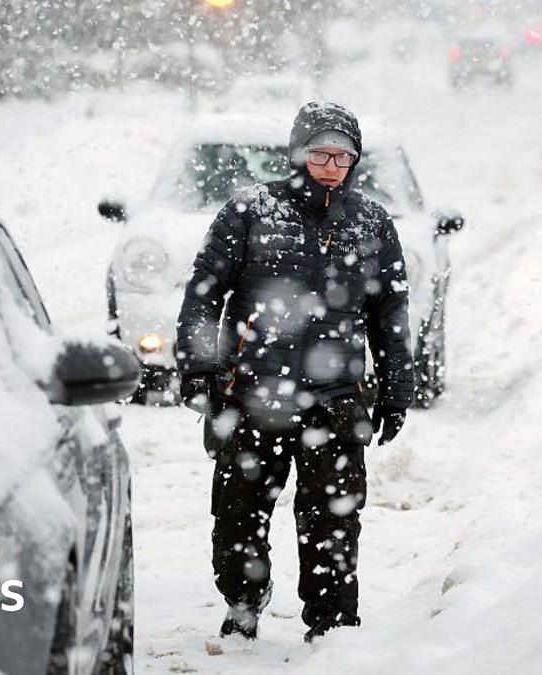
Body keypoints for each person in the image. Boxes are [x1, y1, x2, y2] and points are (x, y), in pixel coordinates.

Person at [175, 101, 414, 642]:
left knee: (334, 521)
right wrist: (199, 368)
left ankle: (331, 626)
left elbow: (390, 313)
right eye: (321, 152)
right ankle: (242, 601)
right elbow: (203, 295)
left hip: (336, 399)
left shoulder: (371, 223)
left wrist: (398, 388)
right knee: (238, 515)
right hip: (252, 394)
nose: (332, 164)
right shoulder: (250, 212)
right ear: (298, 152)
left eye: (344, 155)